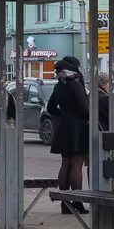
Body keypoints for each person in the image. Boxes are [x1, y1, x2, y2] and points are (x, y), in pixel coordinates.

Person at [48, 57, 90, 214]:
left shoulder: (59, 85)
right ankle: (77, 202)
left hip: (64, 127)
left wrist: (64, 115)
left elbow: (51, 108)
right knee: (77, 164)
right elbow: (85, 109)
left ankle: (64, 203)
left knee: (65, 163)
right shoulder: (75, 84)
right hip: (78, 127)